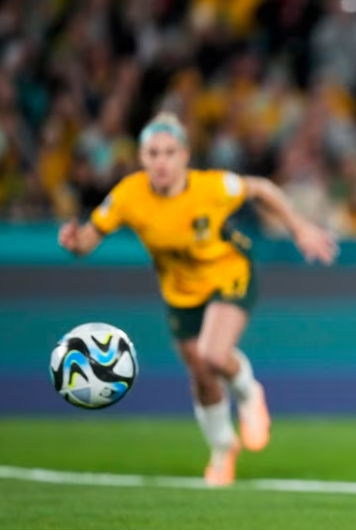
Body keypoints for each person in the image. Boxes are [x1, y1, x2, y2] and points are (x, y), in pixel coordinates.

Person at [57, 112, 337, 486]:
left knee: (213, 354)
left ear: (185, 155)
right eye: (153, 153)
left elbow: (262, 189)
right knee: (200, 371)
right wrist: (75, 244)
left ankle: (249, 391)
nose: (161, 161)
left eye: (169, 152)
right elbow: (89, 238)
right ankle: (223, 449)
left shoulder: (211, 187)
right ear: (142, 158)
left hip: (229, 273)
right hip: (179, 290)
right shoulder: (128, 195)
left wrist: (300, 228)